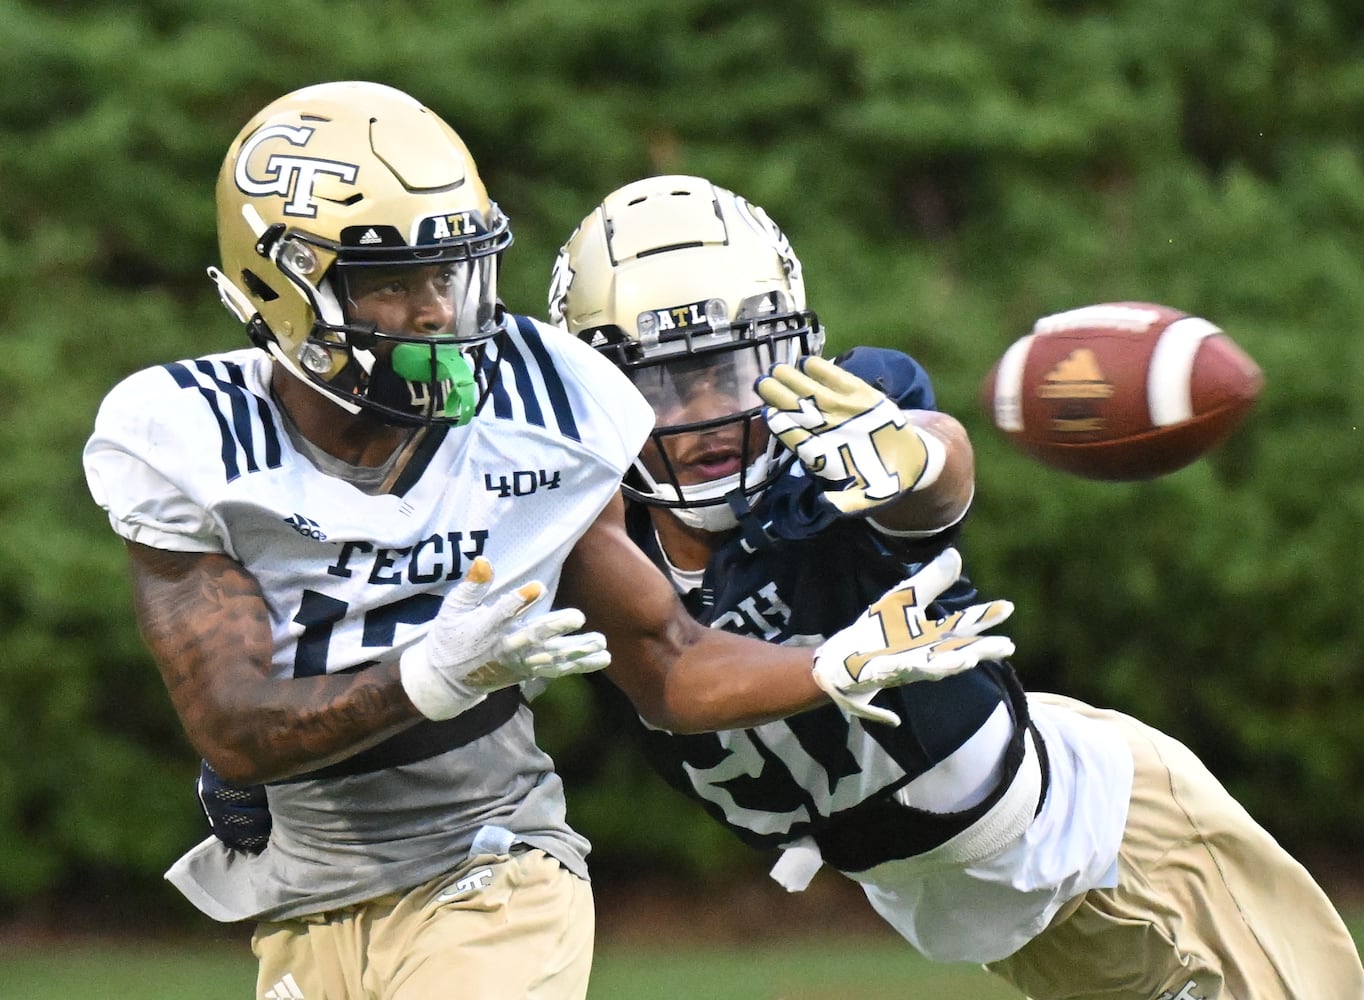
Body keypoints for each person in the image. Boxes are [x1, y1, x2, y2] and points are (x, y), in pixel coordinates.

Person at [81, 84, 1014, 1000]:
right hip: (310, 893)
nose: (437, 312)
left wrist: (825, 666)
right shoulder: (184, 436)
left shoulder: (547, 403)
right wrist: (426, 676)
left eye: (448, 273)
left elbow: (667, 658)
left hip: (490, 863)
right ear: (275, 286)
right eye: (392, 281)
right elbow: (234, 725)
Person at [542, 175, 1364, 999]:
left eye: (732, 367)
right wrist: (828, 667)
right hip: (996, 911)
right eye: (661, 382)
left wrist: (915, 457)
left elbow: (932, 473)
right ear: (595, 394)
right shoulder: (591, 545)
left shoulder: (830, 441)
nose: (708, 410)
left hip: (1113, 832)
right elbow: (674, 674)